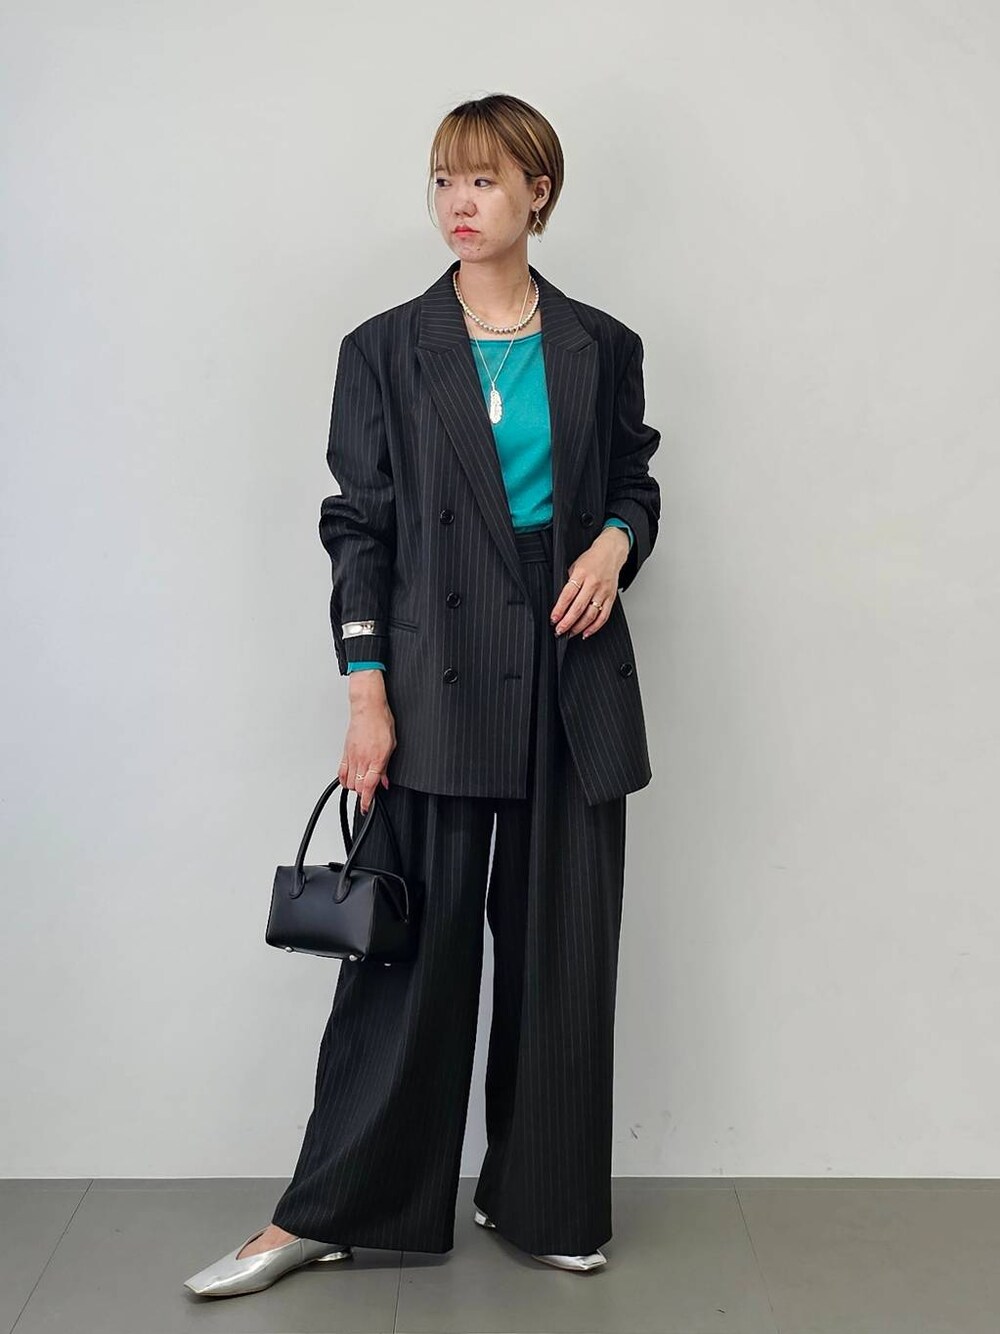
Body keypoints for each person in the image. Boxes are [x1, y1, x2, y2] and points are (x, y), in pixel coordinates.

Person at [184, 91, 661, 1300]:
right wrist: (367, 695)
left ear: (537, 193)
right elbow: (357, 527)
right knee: (408, 963)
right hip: (433, 671)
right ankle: (326, 1210)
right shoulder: (385, 348)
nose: (459, 201)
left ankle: (541, 1195)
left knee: (560, 953)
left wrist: (613, 543)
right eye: (445, 178)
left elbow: (632, 478)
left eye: (485, 180)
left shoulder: (600, 343)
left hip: (568, 671)